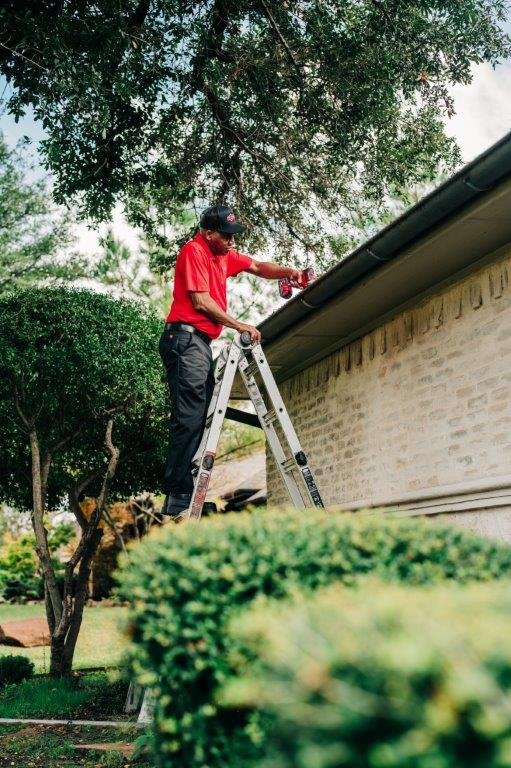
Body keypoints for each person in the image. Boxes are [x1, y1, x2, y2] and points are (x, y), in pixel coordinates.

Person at [159, 204, 305, 520]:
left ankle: (183, 491)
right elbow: (201, 301)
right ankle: (177, 494)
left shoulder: (223, 256)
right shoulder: (194, 251)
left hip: (198, 343)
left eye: (232, 236)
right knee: (189, 416)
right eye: (225, 236)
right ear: (208, 233)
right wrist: (240, 326)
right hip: (184, 339)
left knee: (199, 415)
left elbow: (258, 266)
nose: (231, 241)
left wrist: (288, 273)